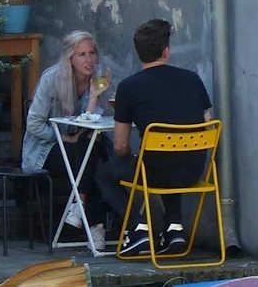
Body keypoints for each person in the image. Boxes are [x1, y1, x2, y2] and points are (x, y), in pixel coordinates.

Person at [97, 18, 213, 257]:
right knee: (172, 156)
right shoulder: (192, 79)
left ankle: (138, 228)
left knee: (105, 173)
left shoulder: (129, 87)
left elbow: (119, 146)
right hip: (194, 168)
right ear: (166, 51)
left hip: (155, 171)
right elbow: (207, 122)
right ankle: (174, 229)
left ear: (139, 53)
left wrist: (130, 159)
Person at [21, 30, 112, 249]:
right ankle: (96, 227)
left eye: (92, 53)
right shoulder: (52, 78)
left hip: (79, 147)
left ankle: (79, 206)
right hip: (45, 147)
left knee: (92, 149)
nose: (89, 59)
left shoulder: (96, 81)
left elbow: (91, 124)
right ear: (70, 57)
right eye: (82, 54)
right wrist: (60, 137)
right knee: (91, 154)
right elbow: (33, 124)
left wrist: (94, 96)